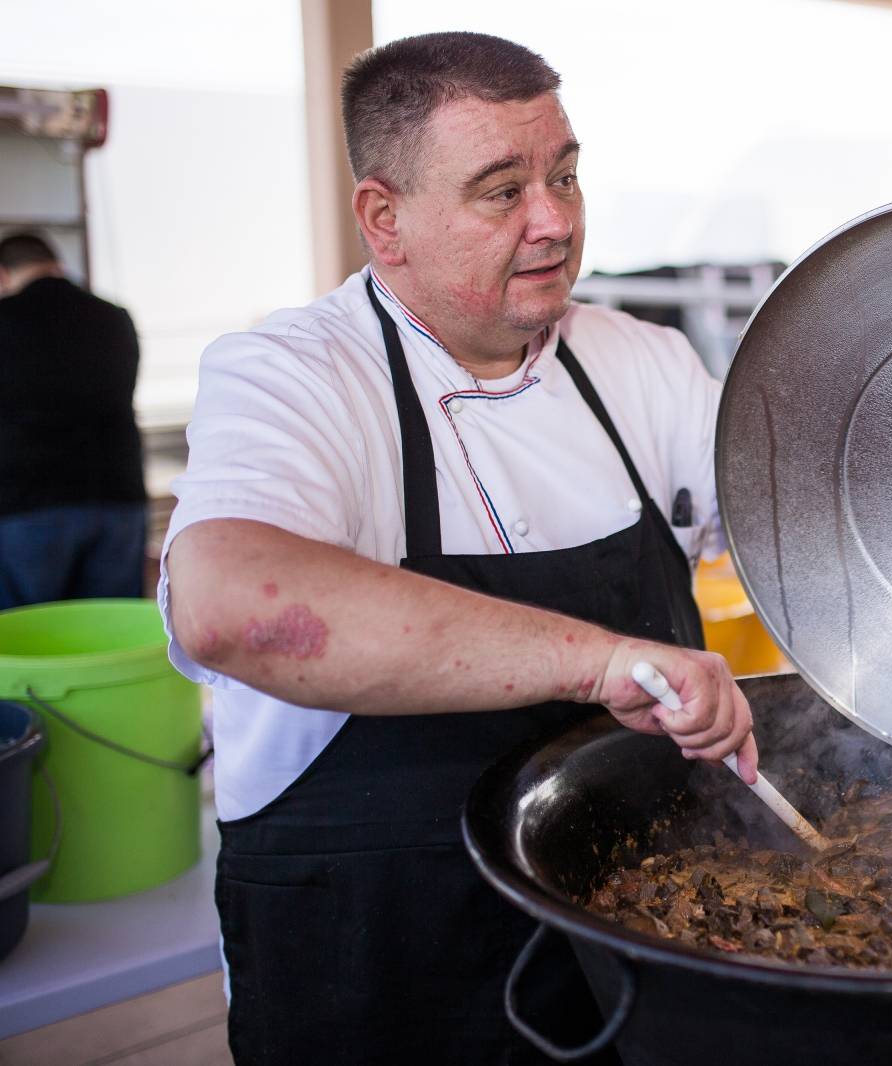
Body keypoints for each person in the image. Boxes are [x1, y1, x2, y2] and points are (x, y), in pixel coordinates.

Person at [161, 32, 757, 1066]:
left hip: (619, 955)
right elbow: (233, 604)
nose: (556, 219)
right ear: (383, 219)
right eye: (501, 190)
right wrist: (604, 659)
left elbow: (808, 523)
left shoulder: (641, 362)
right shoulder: (291, 376)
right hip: (378, 970)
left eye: (564, 175)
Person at [0, 232, 146, 609]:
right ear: (56, 264)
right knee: (112, 632)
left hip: (26, 502)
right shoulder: (114, 317)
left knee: (28, 640)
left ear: (3, 275)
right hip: (118, 493)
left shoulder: (5, 319)